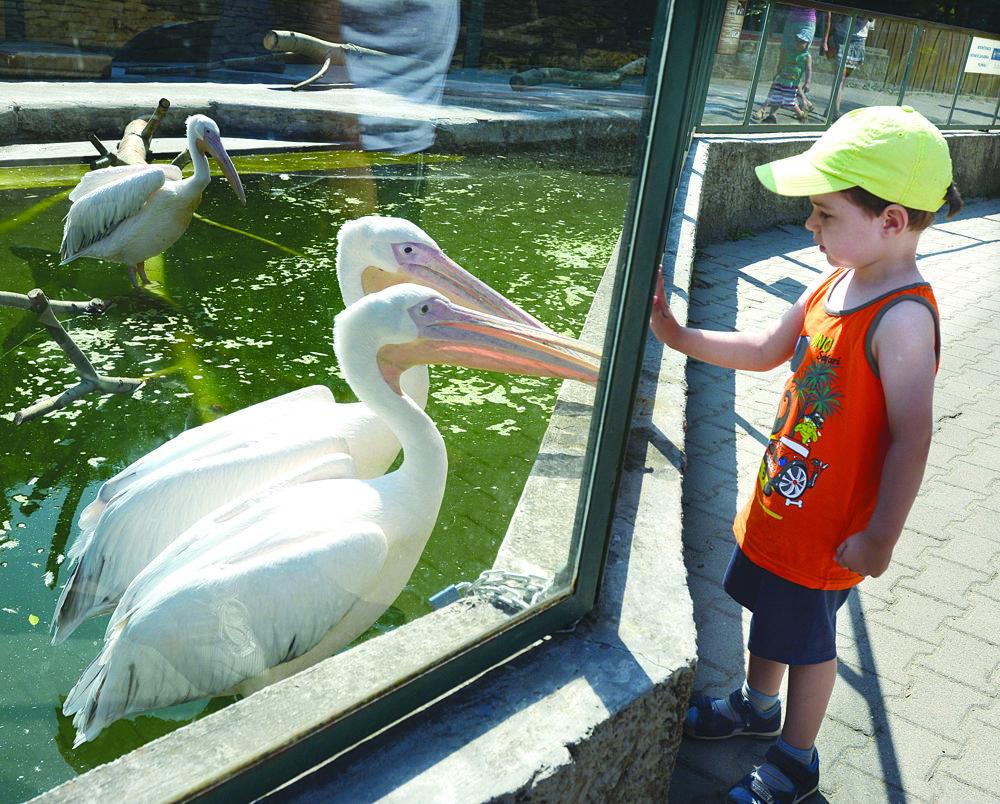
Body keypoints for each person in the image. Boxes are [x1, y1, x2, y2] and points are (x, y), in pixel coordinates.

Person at [650, 106, 963, 804]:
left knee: (810, 641)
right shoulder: (835, 282)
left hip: (830, 530)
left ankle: (797, 757)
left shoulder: (903, 318)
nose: (810, 228)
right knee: (771, 618)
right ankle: (756, 708)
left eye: (824, 215)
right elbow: (766, 350)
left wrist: (881, 537)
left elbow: (914, 436)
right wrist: (678, 334)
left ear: (890, 221)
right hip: (783, 502)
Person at [822, 13, 875, 120]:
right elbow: (833, 14)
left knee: (843, 78)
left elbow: (871, 17)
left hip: (858, 39)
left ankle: (831, 107)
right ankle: (834, 110)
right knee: (840, 76)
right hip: (841, 35)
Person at [753, 30, 813, 123]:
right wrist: (777, 74)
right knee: (776, 99)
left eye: (802, 42)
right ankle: (771, 117)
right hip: (781, 80)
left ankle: (801, 115)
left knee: (789, 102)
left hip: (792, 83)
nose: (798, 43)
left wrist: (807, 82)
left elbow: (808, 69)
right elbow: (783, 64)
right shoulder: (790, 51)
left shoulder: (806, 56)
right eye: (797, 40)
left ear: (807, 44)